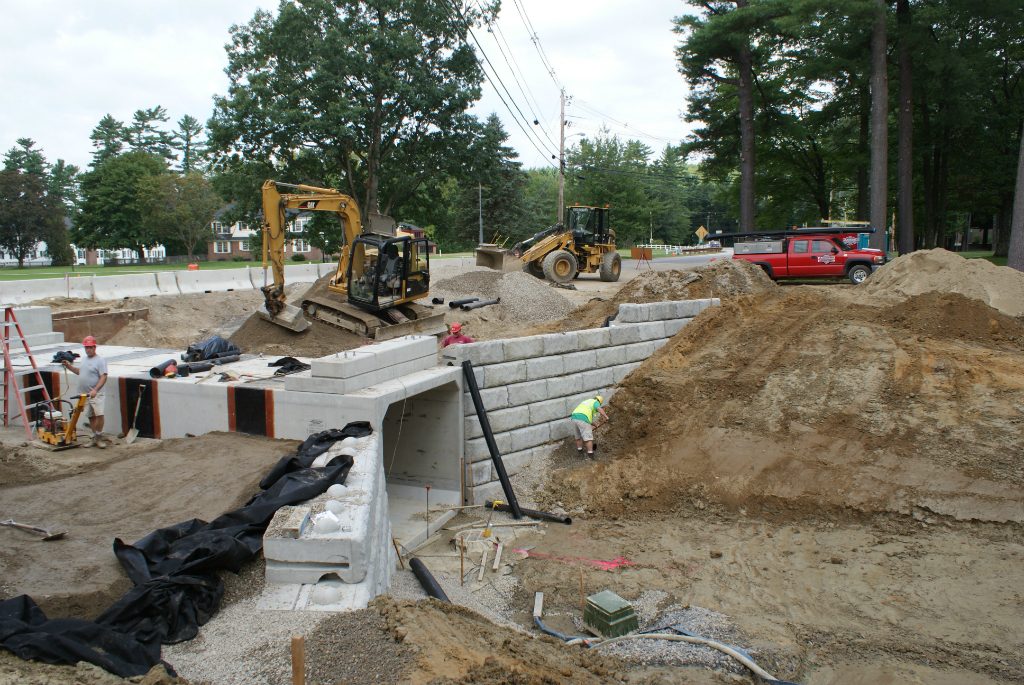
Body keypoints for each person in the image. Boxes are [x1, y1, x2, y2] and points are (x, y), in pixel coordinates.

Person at [61, 335, 110, 448]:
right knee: (91, 416)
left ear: (94, 347)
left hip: (96, 394)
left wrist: (95, 390)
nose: (88, 349)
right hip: (84, 394)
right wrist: (68, 366)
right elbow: (80, 372)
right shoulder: (84, 359)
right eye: (86, 347)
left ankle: (98, 437)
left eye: (90, 347)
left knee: (99, 415)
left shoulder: (100, 360)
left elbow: (104, 376)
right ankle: (94, 438)